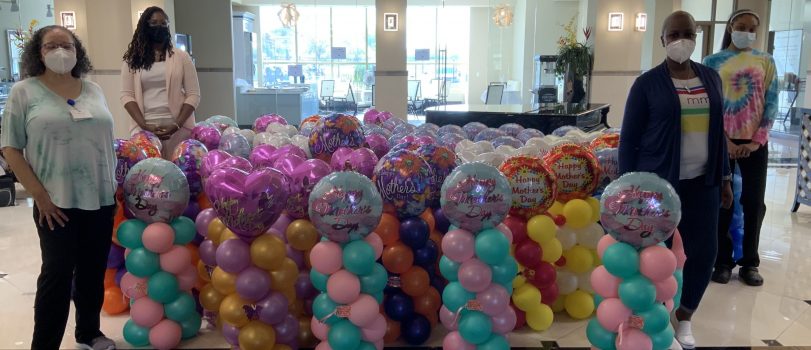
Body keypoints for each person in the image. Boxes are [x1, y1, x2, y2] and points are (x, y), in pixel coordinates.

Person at [619, 11, 733, 350]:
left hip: (703, 182)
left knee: (705, 251)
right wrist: (627, 188)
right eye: (673, 34)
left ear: (695, 36)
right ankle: (654, 316)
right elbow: (629, 139)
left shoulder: (711, 78)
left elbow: (719, 133)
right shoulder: (647, 84)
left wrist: (725, 177)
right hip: (657, 186)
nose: (681, 40)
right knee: (657, 255)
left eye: (687, 33)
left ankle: (685, 317)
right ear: (663, 40)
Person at [0, 26, 117, 350]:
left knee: (93, 270)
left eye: (67, 45)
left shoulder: (93, 90)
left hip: (100, 198)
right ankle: (45, 344)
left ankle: (89, 333)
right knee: (57, 274)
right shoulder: (25, 92)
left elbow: (106, 139)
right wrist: (39, 196)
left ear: (77, 51)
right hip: (54, 201)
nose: (60, 51)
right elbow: (10, 148)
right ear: (39, 52)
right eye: (52, 45)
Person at [703, 9, 778, 287]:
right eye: (741, 26)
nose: (746, 31)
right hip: (722, 142)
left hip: (756, 144)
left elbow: (771, 102)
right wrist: (726, 141)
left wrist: (757, 140)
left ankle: (750, 263)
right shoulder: (712, 62)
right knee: (723, 202)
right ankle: (722, 261)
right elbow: (709, 104)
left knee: (754, 203)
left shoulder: (766, 61)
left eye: (751, 28)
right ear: (730, 26)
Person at [121, 6, 200, 159]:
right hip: (144, 129)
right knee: (148, 178)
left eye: (164, 24)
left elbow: (193, 95)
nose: (160, 27)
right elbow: (127, 96)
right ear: (145, 26)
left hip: (179, 128)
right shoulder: (132, 60)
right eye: (154, 23)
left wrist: (176, 124)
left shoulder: (182, 57)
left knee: (180, 175)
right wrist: (144, 126)